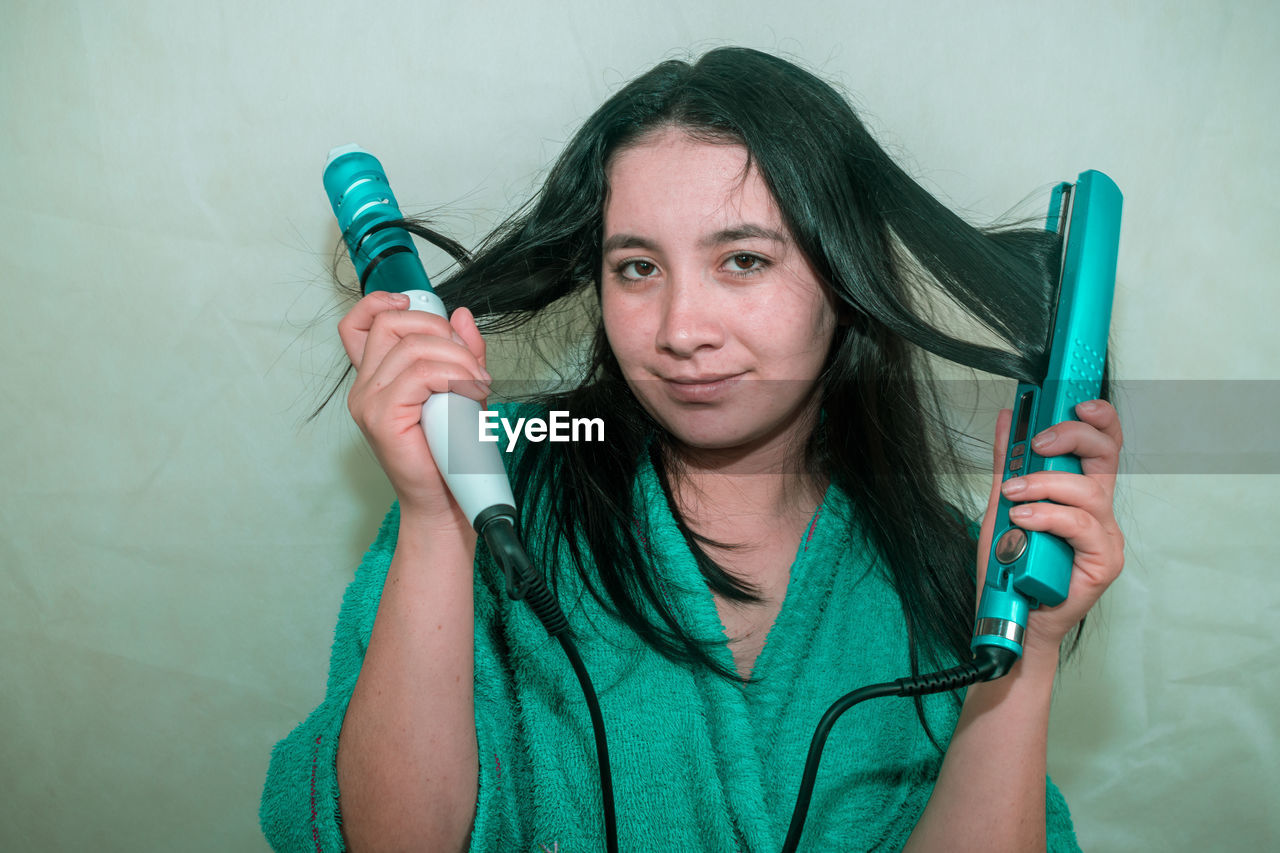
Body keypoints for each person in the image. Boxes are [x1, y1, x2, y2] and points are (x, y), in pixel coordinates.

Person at [261, 47, 1124, 852]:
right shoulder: (501, 478)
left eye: (743, 260)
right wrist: (436, 513)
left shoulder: (942, 563)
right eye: (637, 268)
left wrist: (1028, 645)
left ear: (845, 277)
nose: (680, 331)